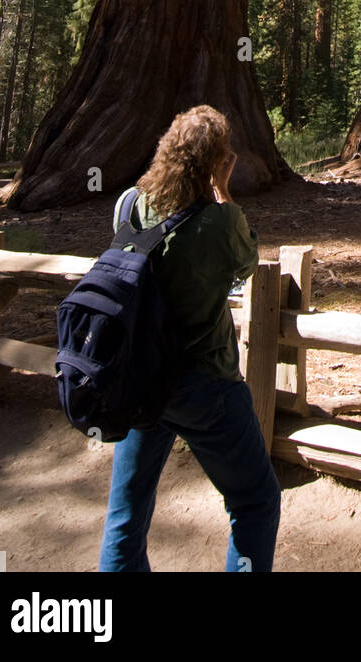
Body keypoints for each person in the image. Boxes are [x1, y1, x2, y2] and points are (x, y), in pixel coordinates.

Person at [98, 105, 281, 572]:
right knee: (255, 500)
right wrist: (223, 194)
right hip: (206, 384)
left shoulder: (129, 204)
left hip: (141, 377)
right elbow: (245, 263)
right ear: (218, 162)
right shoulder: (220, 224)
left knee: (126, 513)